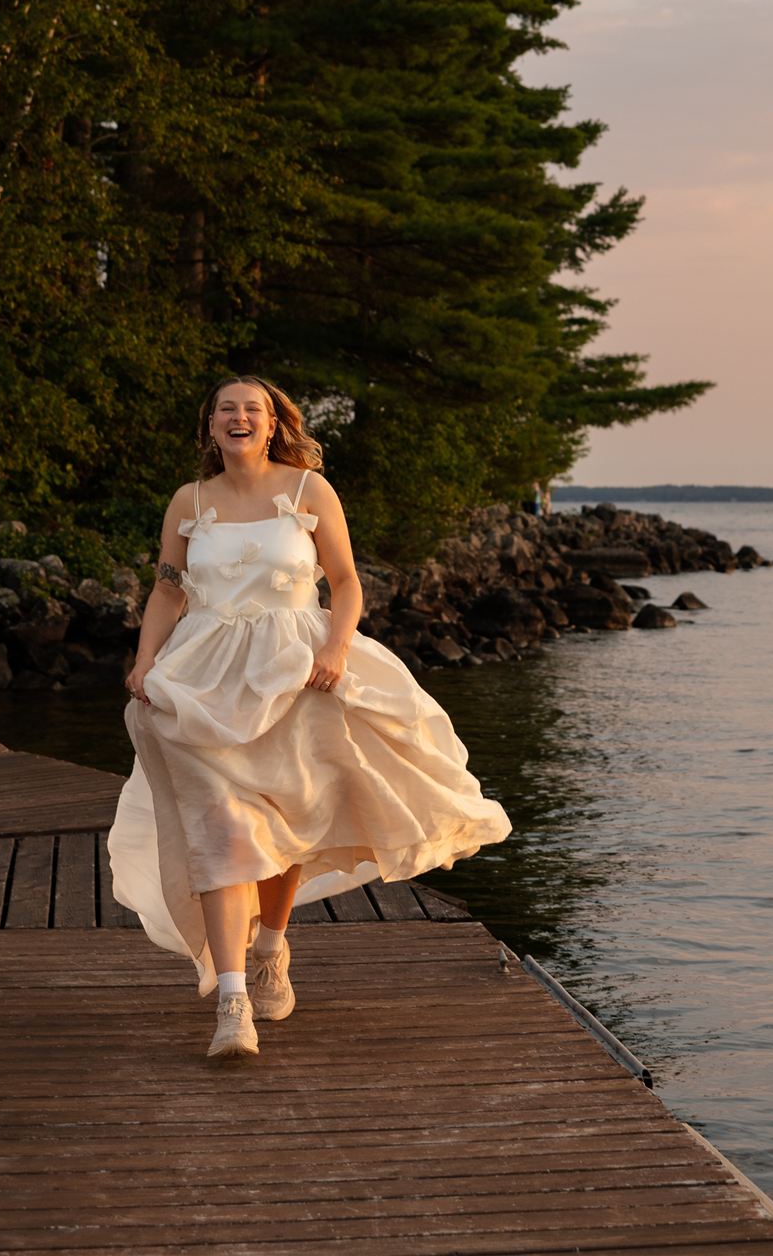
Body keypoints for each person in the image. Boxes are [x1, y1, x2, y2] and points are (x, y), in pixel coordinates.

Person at [107, 374, 512, 1060]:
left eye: (253, 409)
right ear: (210, 425)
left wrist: (335, 648)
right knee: (223, 829)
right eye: (226, 409)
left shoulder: (308, 490)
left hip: (293, 667)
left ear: (273, 425)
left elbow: (346, 582)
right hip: (204, 676)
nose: (239, 417)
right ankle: (232, 1003)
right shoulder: (188, 500)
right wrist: (144, 661)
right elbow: (168, 589)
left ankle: (270, 947)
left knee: (285, 818)